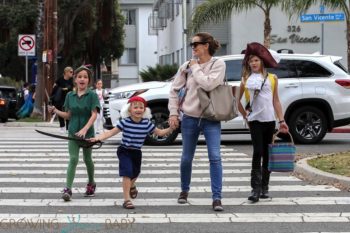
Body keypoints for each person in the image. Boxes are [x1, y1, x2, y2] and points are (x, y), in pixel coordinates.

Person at [168, 32, 226, 211]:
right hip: (190, 118)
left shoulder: (218, 64)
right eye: (191, 45)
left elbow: (208, 84)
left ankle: (217, 198)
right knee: (186, 158)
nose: (192, 48)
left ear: (206, 45)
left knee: (215, 157)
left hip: (211, 118)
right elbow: (174, 90)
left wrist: (195, 68)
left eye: (195, 44)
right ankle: (184, 191)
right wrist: (173, 113)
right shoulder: (186, 66)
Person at [89, 96, 174, 209]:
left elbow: (160, 133)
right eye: (135, 107)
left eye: (141, 107)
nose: (138, 109)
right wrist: (97, 138)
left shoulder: (146, 123)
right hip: (124, 150)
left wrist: (171, 129)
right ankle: (126, 199)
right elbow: (110, 133)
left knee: (135, 173)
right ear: (129, 110)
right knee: (127, 173)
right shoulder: (125, 122)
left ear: (144, 110)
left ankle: (132, 185)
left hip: (137, 152)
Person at [237, 42, 289, 203]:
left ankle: (265, 187)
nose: (253, 63)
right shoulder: (245, 79)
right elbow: (237, 101)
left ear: (262, 62)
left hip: (269, 120)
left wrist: (282, 120)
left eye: (256, 60)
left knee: (267, 153)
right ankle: (255, 189)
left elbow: (276, 101)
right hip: (255, 121)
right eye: (251, 61)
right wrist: (245, 115)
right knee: (257, 151)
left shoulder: (272, 79)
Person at [48, 66, 100, 201]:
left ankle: (91, 183)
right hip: (72, 132)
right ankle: (68, 189)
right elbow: (68, 115)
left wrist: (84, 129)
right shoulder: (70, 96)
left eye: (85, 77)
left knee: (87, 160)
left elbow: (94, 114)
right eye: (79, 76)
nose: (82, 79)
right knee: (73, 159)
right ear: (75, 79)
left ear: (89, 80)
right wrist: (55, 111)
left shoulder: (92, 95)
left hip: (87, 133)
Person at [51, 66, 74, 133]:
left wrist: (67, 89)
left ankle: (68, 127)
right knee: (60, 111)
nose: (72, 73)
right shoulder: (60, 79)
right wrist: (59, 88)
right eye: (71, 72)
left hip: (69, 98)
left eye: (72, 72)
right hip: (60, 98)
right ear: (66, 72)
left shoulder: (72, 80)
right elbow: (55, 86)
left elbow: (73, 87)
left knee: (68, 112)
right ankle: (62, 126)